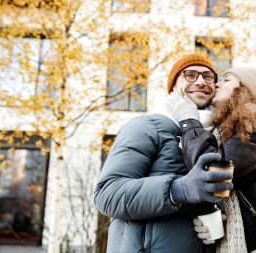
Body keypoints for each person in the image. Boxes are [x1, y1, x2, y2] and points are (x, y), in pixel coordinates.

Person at [94, 53, 233, 253]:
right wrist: (178, 190)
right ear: (173, 87)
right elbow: (107, 194)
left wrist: (215, 219)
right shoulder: (147, 126)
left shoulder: (214, 138)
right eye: (190, 75)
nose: (201, 82)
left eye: (208, 77)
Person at [165, 67, 256, 253]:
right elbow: (230, 188)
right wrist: (217, 218)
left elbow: (211, 171)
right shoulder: (230, 130)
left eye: (226, 80)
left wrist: (188, 121)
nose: (216, 84)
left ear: (245, 89)